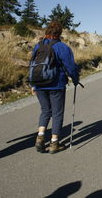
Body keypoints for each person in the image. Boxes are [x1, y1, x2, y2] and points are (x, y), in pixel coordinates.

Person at [31, 21, 80, 154]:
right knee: (57, 113)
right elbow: (70, 67)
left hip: (39, 83)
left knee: (45, 110)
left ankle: (40, 138)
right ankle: (54, 143)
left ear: (46, 32)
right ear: (59, 33)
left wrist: (33, 84)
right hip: (56, 84)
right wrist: (75, 79)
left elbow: (33, 64)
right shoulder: (62, 47)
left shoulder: (38, 46)